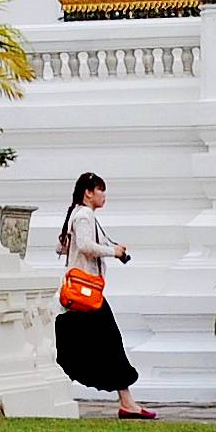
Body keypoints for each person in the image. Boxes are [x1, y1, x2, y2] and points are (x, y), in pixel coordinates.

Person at [51, 172, 156, 419]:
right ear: (89, 192)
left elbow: (61, 247)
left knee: (79, 345)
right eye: (101, 190)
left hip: (80, 294)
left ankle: (126, 400)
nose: (104, 196)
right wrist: (114, 251)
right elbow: (86, 247)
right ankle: (127, 402)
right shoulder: (84, 215)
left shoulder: (75, 214)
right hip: (87, 293)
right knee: (109, 343)